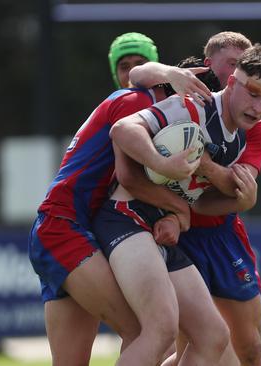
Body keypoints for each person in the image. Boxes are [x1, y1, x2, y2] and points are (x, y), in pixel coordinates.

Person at [27, 61, 211, 364]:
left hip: (58, 228)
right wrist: (179, 208)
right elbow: (131, 180)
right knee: (146, 332)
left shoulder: (130, 100)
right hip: (64, 228)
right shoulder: (137, 104)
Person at [116, 42, 261, 366]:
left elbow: (207, 200)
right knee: (189, 341)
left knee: (244, 348)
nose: (259, 106)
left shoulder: (245, 133)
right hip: (148, 227)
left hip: (209, 232)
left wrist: (241, 199)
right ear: (231, 80)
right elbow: (123, 129)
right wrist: (162, 163)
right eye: (253, 94)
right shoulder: (191, 109)